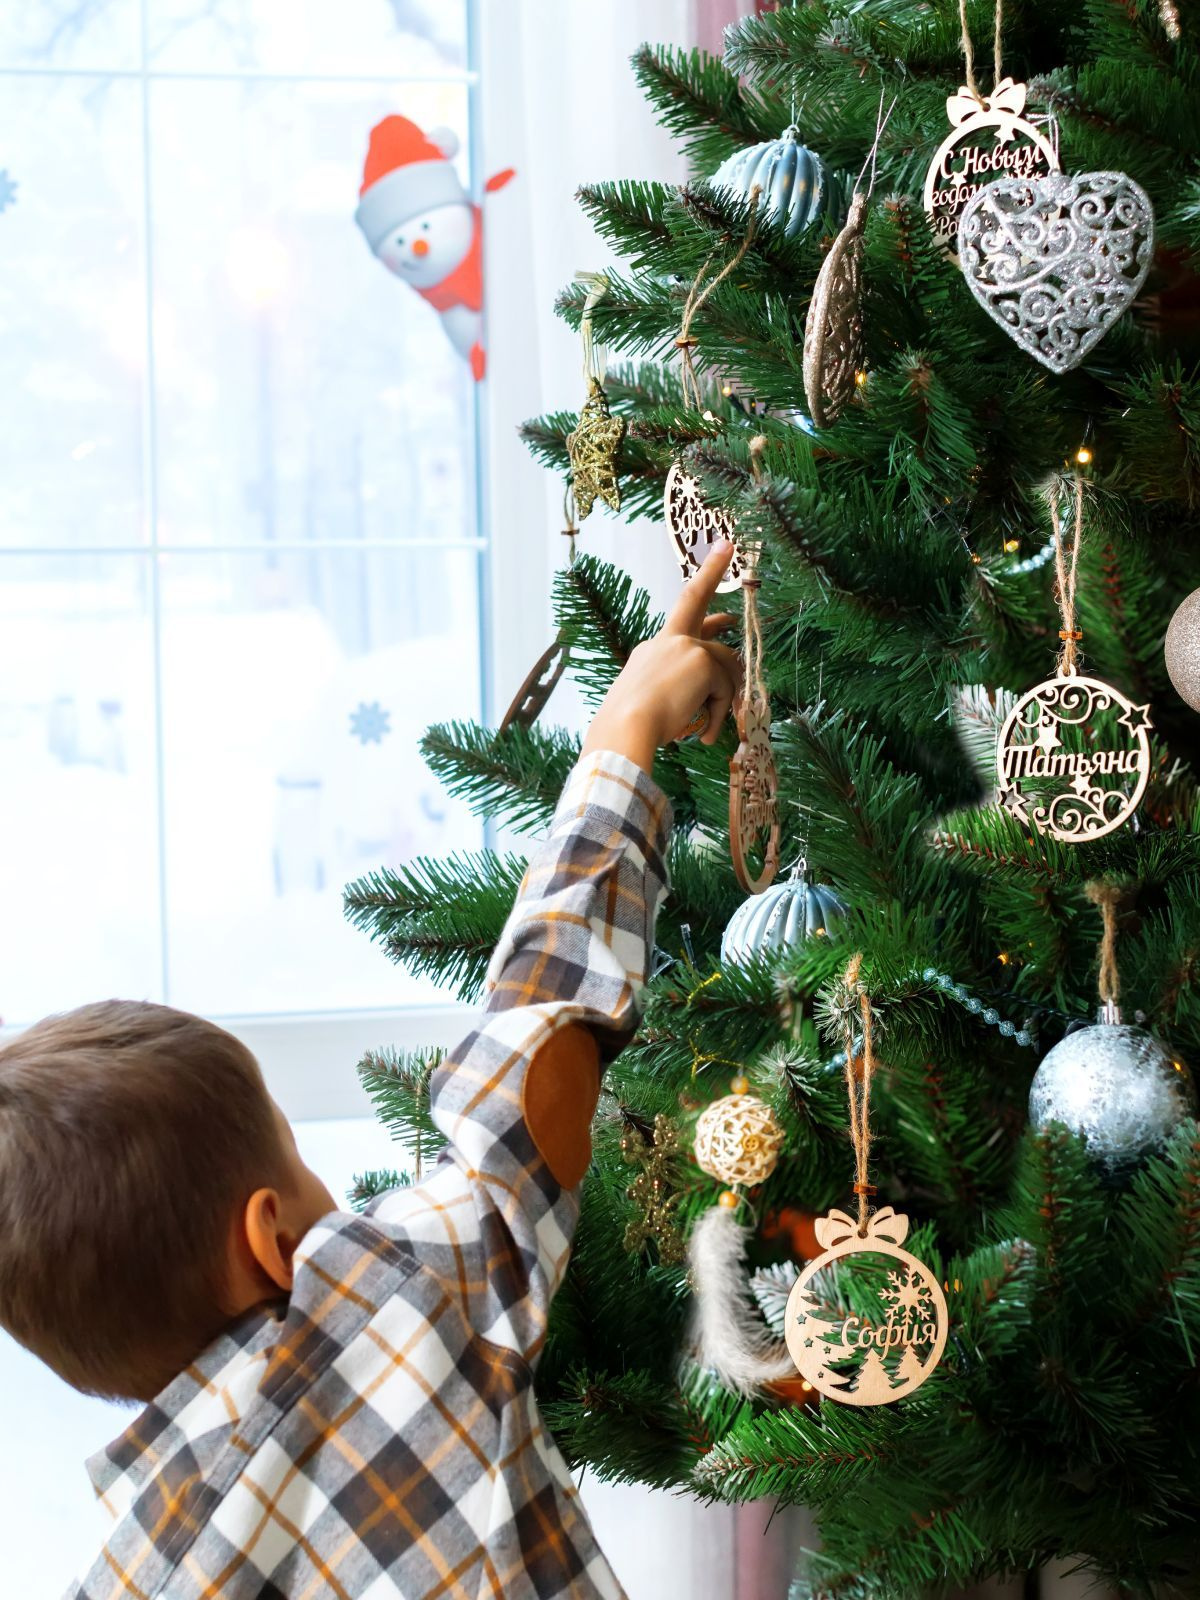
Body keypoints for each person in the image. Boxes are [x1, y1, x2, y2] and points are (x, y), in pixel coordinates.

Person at [0, 543, 741, 1600]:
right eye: (301, 1164)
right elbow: (532, 1048)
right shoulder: (386, 1311)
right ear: (272, 1239)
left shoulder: (135, 1570)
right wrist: (625, 735)